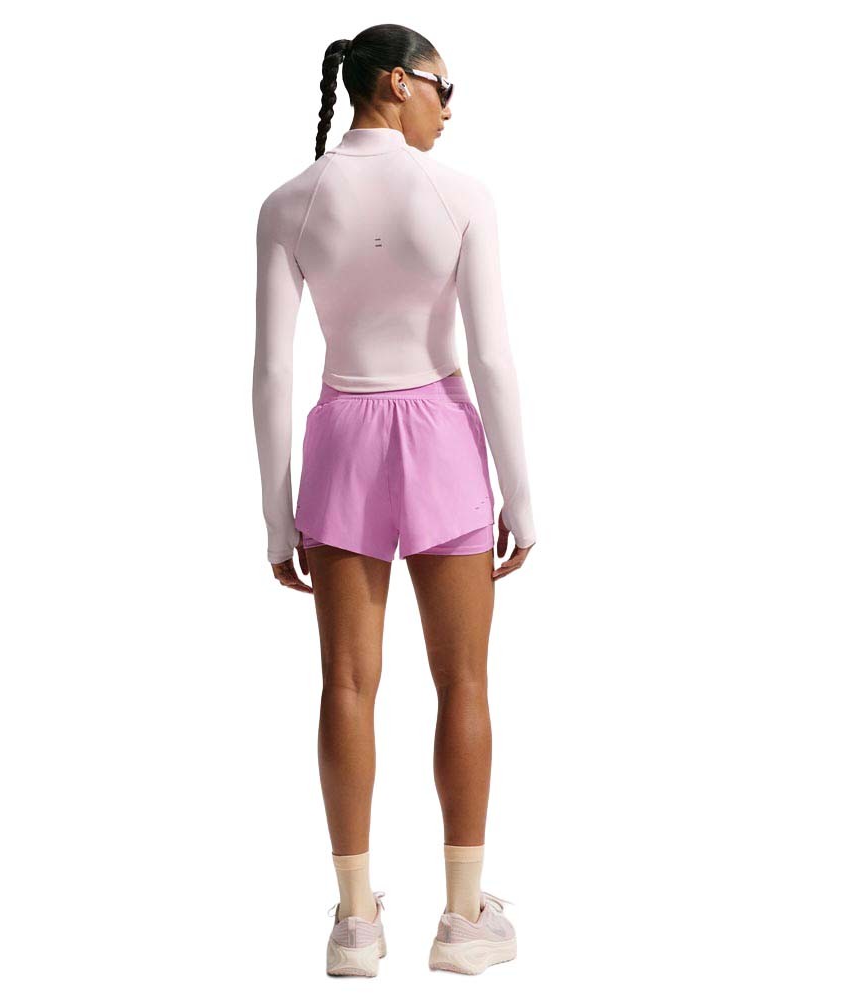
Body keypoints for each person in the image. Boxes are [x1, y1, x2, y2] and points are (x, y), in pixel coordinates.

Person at [252, 23, 536, 977]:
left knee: (345, 684)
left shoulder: (289, 203)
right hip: (442, 435)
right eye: (444, 89)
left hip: (342, 441)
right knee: (465, 683)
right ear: (397, 84)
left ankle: (354, 924)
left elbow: (273, 371)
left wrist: (277, 516)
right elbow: (491, 357)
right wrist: (522, 496)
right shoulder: (460, 196)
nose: (450, 110)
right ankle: (463, 920)